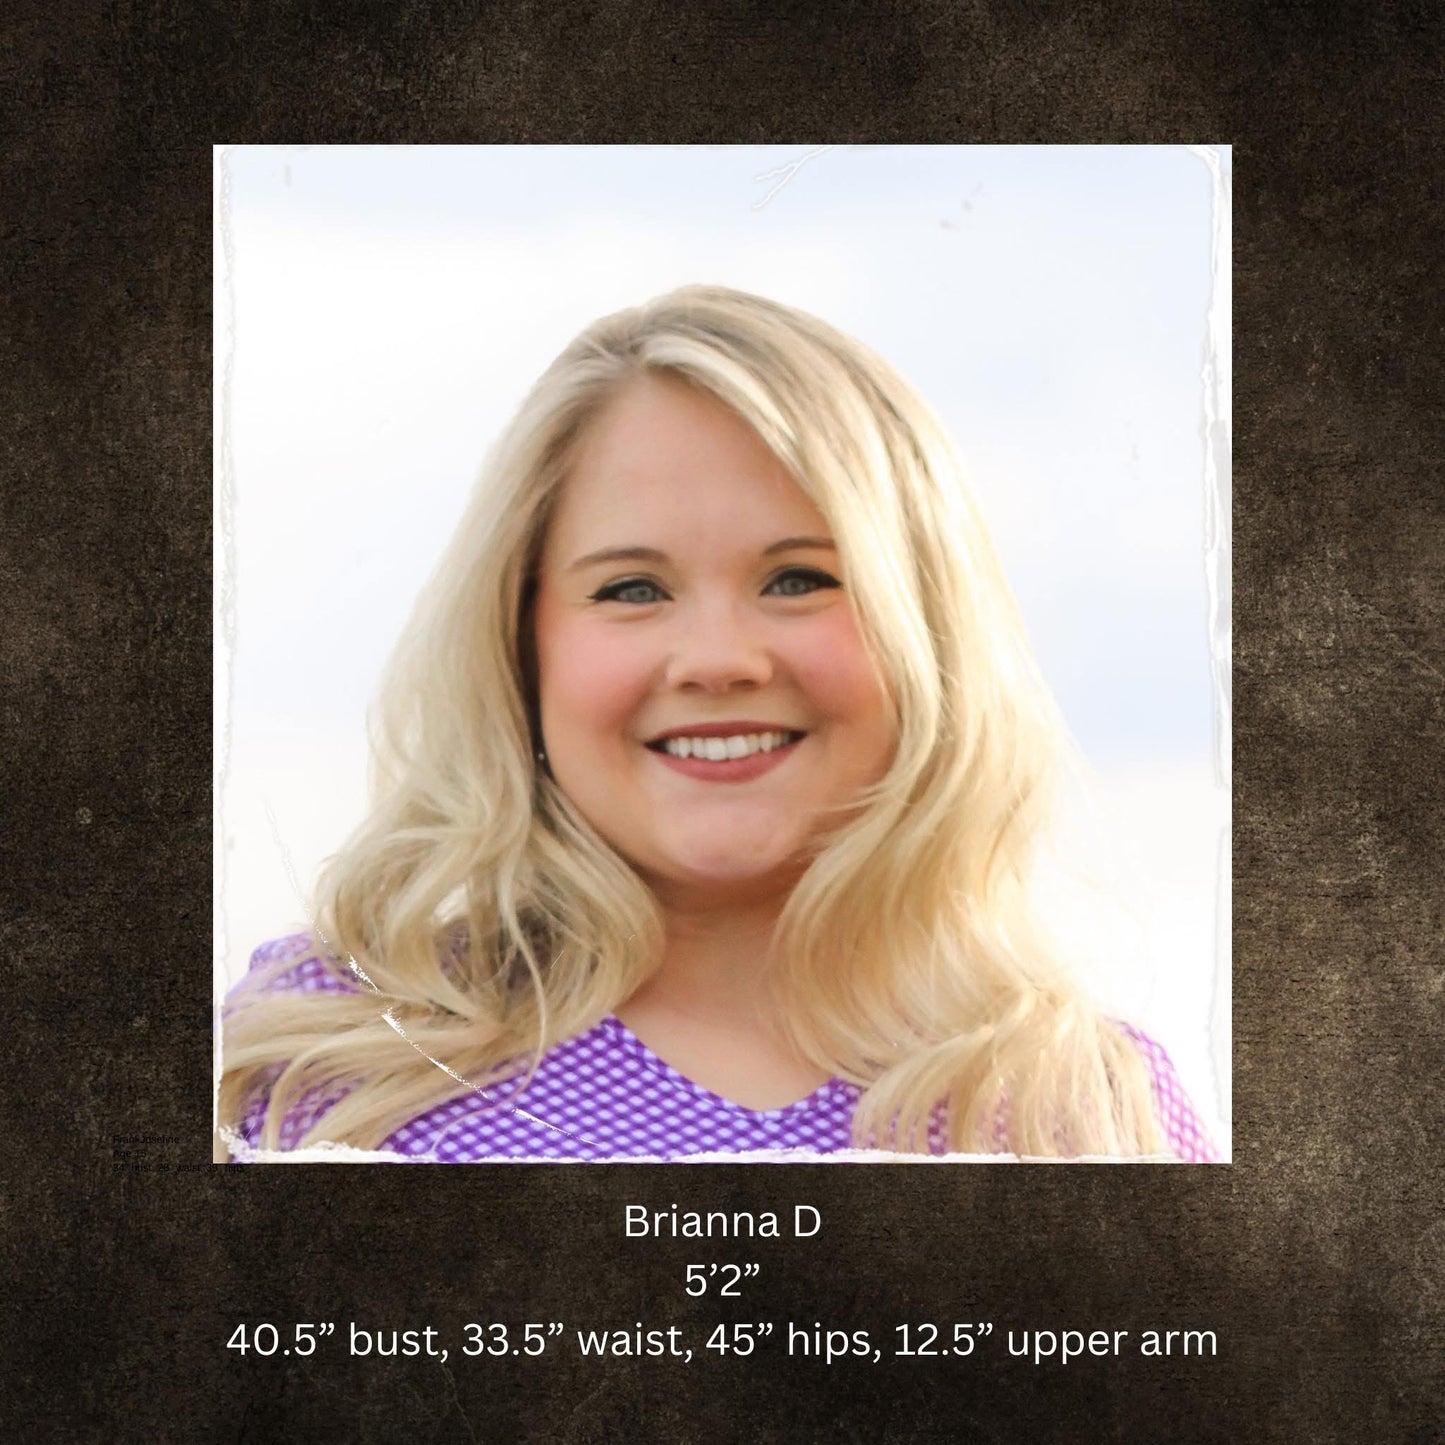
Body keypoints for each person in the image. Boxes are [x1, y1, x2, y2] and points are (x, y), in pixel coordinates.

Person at [216, 285, 1218, 1163]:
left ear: (931, 627)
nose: (716, 658)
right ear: (522, 642)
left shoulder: (1084, 1105)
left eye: (797, 579)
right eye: (631, 587)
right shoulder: (327, 1055)